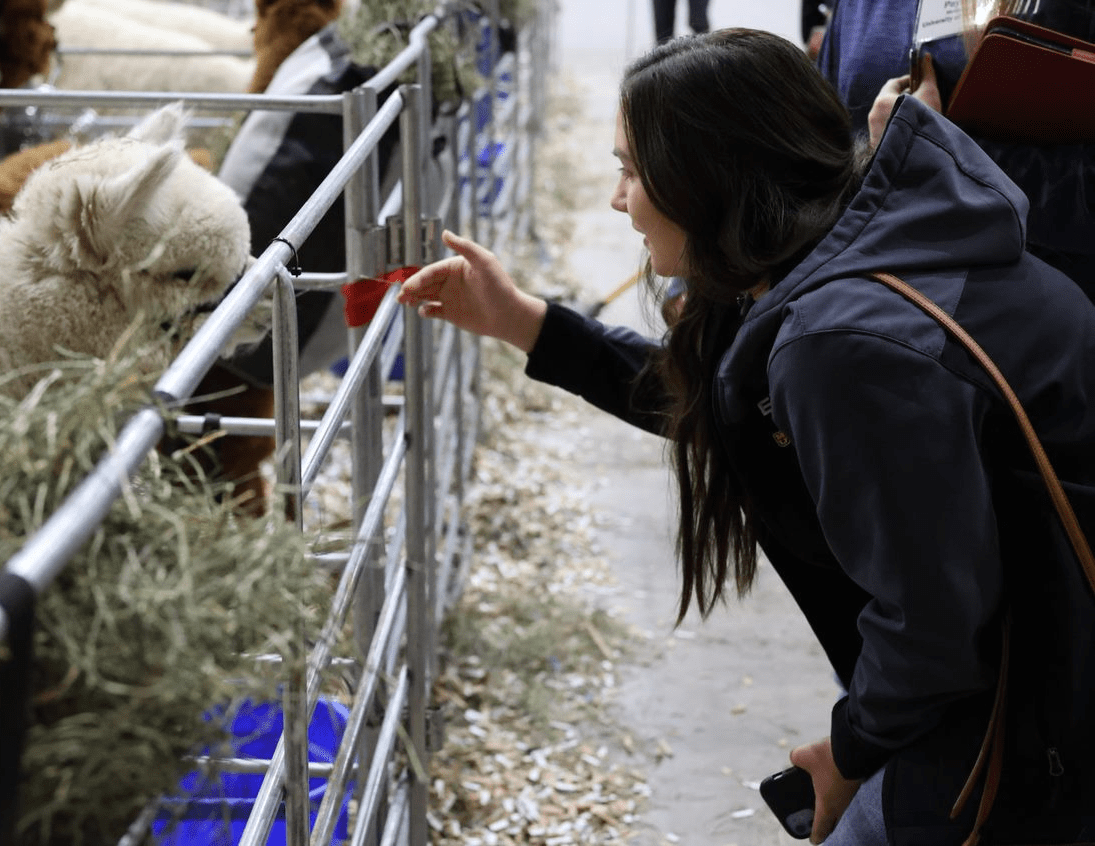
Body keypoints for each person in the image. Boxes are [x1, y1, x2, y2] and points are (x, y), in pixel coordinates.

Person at [398, 29, 1095, 846]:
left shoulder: (843, 343)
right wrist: (526, 324)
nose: (616, 200)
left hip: (1035, 733)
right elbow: (735, 410)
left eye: (630, 168)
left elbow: (934, 630)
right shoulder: (862, 245)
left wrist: (851, 746)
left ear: (706, 178)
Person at [816, 0, 1095, 300]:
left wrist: (930, 152)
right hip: (878, 305)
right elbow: (826, 161)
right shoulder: (858, 8)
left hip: (1033, 309)